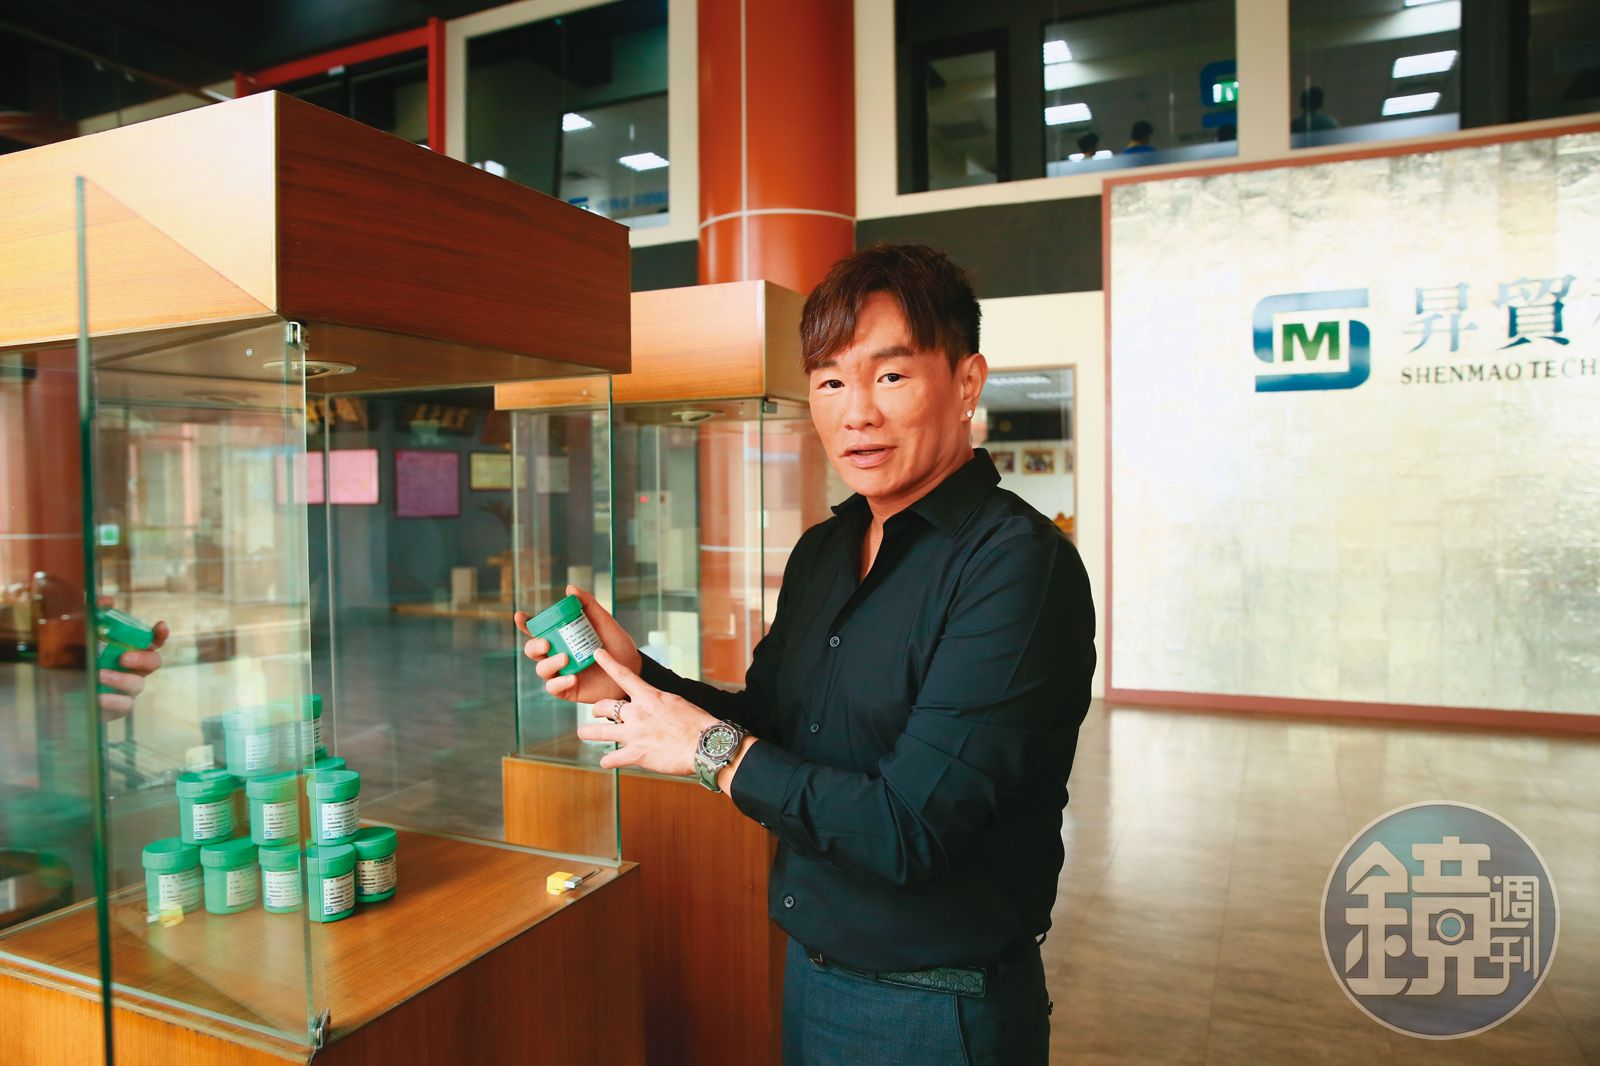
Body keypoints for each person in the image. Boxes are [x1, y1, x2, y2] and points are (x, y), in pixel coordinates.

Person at [516, 243, 1095, 1065]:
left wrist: (708, 750)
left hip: (938, 1006)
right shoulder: (825, 551)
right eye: (829, 382)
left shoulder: (1017, 568)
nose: (856, 413)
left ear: (967, 382)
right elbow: (773, 724)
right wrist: (635, 678)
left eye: (889, 375)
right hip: (814, 972)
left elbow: (910, 832)